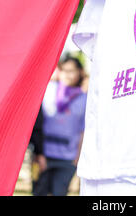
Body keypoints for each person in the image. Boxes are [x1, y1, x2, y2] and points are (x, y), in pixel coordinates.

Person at [32, 56, 87, 196]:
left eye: (71, 71)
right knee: (39, 192)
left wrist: (78, 157)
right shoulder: (47, 90)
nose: (67, 74)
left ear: (79, 72)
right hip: (43, 156)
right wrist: (38, 153)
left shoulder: (84, 99)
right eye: (64, 70)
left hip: (67, 158)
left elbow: (83, 130)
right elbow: (37, 123)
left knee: (59, 193)